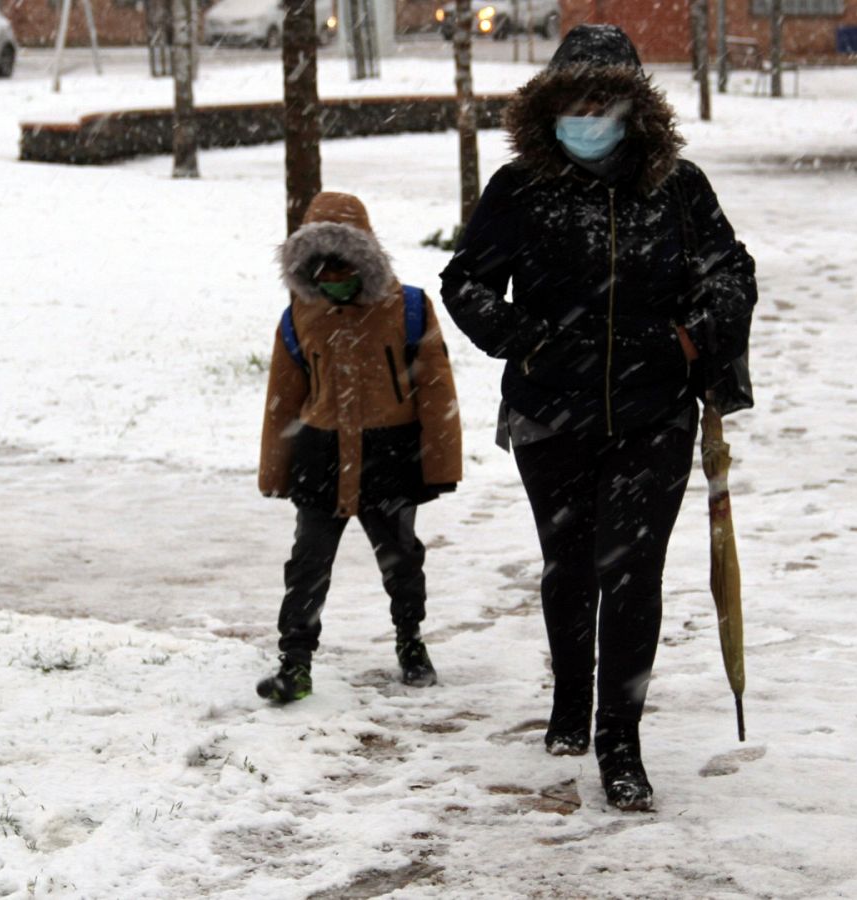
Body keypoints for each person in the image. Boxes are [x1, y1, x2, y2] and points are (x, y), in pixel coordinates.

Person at [439, 24, 756, 811]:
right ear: (549, 105)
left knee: (634, 574)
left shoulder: (678, 188)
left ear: (633, 109)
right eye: (573, 100)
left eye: (602, 100)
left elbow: (733, 274)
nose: (587, 114)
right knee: (568, 566)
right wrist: (529, 339)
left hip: (653, 413)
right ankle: (568, 702)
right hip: (552, 414)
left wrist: (693, 335)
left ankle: (621, 741)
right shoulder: (520, 189)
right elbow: (465, 283)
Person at [256, 191, 464, 704]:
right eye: (320, 266)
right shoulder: (298, 315)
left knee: (400, 558)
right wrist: (275, 470)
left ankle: (410, 641)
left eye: (344, 263)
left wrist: (439, 462)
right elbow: (283, 399)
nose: (333, 275)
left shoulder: (409, 306)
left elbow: (436, 388)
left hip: (389, 456)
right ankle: (295, 663)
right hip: (321, 455)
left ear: (365, 257)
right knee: (308, 562)